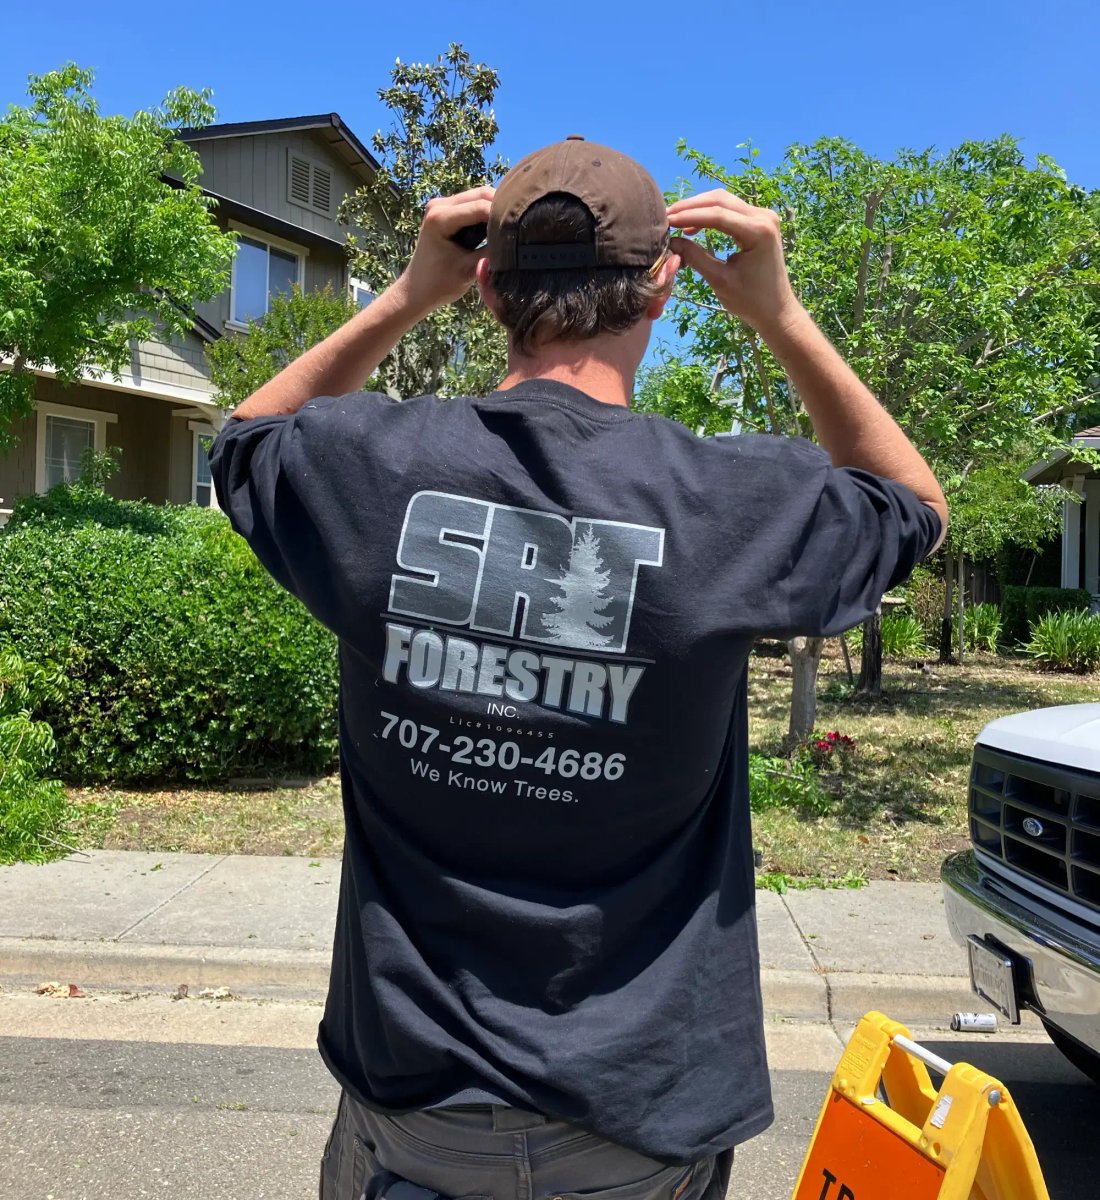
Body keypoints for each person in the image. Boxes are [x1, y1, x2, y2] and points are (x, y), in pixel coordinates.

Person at [209, 137, 947, 1200]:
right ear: (662, 286)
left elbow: (243, 440)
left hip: (413, 1106)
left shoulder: (365, 466)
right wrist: (778, 316)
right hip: (633, 1117)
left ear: (486, 287)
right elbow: (912, 506)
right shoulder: (732, 501)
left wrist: (404, 298)